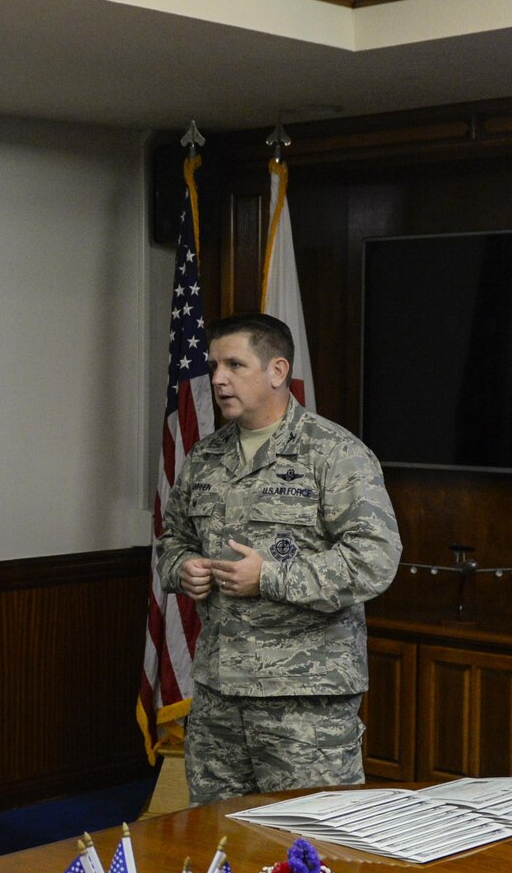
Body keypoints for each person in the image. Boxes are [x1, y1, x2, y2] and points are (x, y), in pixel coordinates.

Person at [157, 313, 402, 803]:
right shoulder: (204, 458)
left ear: (276, 370)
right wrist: (181, 569)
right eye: (213, 366)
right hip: (219, 701)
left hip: (303, 706)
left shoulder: (333, 454)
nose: (219, 378)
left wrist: (270, 577)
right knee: (218, 850)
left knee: (310, 854)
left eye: (234, 364)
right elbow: (172, 540)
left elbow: (374, 559)